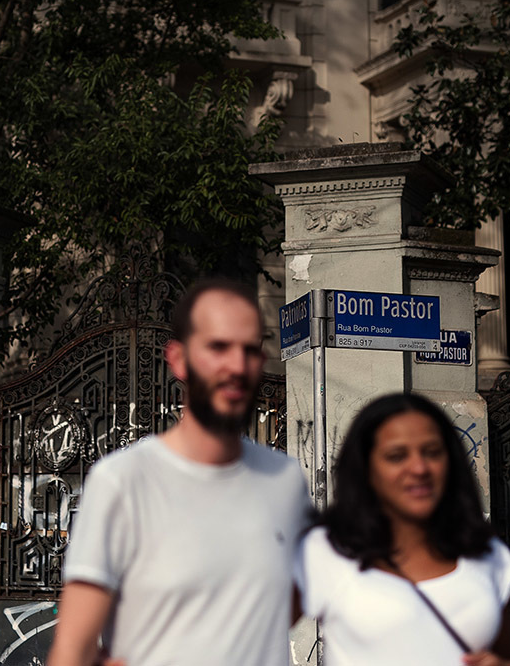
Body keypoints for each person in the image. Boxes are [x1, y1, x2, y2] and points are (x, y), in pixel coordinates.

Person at [48, 278, 312, 666]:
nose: (236, 366)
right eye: (218, 347)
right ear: (179, 360)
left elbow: (289, 601)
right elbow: (73, 649)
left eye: (250, 349)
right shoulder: (123, 481)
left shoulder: (286, 480)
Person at [295, 392, 510, 666]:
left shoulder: (486, 552)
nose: (419, 467)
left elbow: (506, 656)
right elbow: (248, 636)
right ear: (367, 469)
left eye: (432, 452)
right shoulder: (327, 550)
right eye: (396, 456)